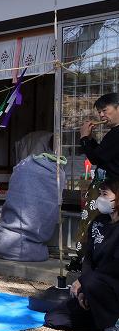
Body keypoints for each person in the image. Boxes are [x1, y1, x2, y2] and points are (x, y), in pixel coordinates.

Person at [45, 179, 119, 331]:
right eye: (100, 194)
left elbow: (114, 266)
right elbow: (89, 258)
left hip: (112, 285)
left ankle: (113, 322)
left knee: (92, 281)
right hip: (95, 286)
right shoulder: (98, 222)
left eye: (105, 194)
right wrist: (84, 288)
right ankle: (105, 321)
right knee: (54, 318)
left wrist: (86, 282)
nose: (101, 198)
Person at [70, 93, 119, 272]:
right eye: (99, 112)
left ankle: (87, 260)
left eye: (104, 110)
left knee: (95, 222)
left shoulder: (117, 134)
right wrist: (89, 140)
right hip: (106, 187)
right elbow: (100, 153)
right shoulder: (113, 134)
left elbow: (97, 156)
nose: (101, 116)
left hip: (111, 188)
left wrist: (84, 137)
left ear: (117, 108)